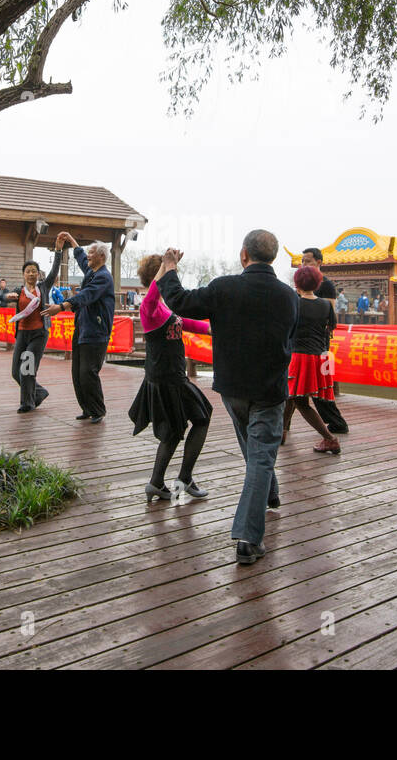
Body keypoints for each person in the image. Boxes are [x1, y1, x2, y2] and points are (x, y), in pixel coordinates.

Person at [157, 229, 298, 566]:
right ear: (273, 258)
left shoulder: (224, 287)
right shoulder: (288, 297)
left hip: (232, 388)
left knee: (256, 451)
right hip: (269, 389)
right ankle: (249, 539)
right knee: (261, 453)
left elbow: (179, 300)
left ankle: (268, 500)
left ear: (243, 256)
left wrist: (170, 267)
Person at [129, 254, 213, 502]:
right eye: (167, 275)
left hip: (173, 376)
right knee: (191, 422)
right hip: (165, 378)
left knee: (181, 428)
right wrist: (165, 269)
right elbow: (151, 298)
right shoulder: (149, 306)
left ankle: (159, 482)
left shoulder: (164, 307)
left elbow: (183, 322)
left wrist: (210, 328)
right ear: (159, 277)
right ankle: (179, 479)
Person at [43, 235, 115, 423]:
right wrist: (72, 241)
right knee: (77, 373)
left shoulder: (103, 277)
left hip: (96, 332)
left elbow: (87, 295)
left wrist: (61, 306)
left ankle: (98, 410)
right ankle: (87, 408)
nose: (88, 256)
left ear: (101, 256)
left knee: (88, 372)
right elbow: (81, 258)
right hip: (82, 328)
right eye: (89, 253)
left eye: (92, 253)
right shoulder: (92, 272)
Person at [283, 265, 341, 454]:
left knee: (299, 401)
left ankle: (329, 438)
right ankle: (282, 432)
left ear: (296, 283)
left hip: (298, 357)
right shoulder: (325, 305)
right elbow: (330, 329)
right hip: (318, 357)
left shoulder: (294, 303)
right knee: (292, 396)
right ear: (317, 283)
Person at [6, 242, 67, 412]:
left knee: (27, 368)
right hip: (22, 334)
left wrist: (58, 251)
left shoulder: (43, 287)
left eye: (34, 271)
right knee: (15, 372)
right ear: (23, 275)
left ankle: (27, 403)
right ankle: (38, 393)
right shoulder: (19, 290)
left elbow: (55, 270)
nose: (31, 274)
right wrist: (7, 296)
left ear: (38, 274)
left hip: (38, 334)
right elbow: (4, 298)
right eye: (28, 271)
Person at [300, 247, 349, 436]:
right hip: (303, 343)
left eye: (308, 261)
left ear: (319, 262)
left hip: (319, 345)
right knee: (299, 389)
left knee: (320, 385)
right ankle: (283, 428)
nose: (304, 265)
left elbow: (329, 317)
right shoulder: (301, 284)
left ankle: (336, 422)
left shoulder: (326, 285)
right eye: (302, 261)